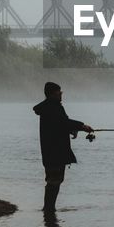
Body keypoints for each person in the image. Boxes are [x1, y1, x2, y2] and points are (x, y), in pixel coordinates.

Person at [32, 81, 95, 213]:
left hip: (51, 150)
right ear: (52, 94)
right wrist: (82, 126)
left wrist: (72, 130)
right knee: (54, 181)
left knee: (54, 180)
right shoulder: (52, 107)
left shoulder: (50, 107)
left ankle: (49, 210)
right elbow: (63, 122)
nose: (61, 94)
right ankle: (48, 210)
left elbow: (58, 125)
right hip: (54, 151)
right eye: (58, 92)